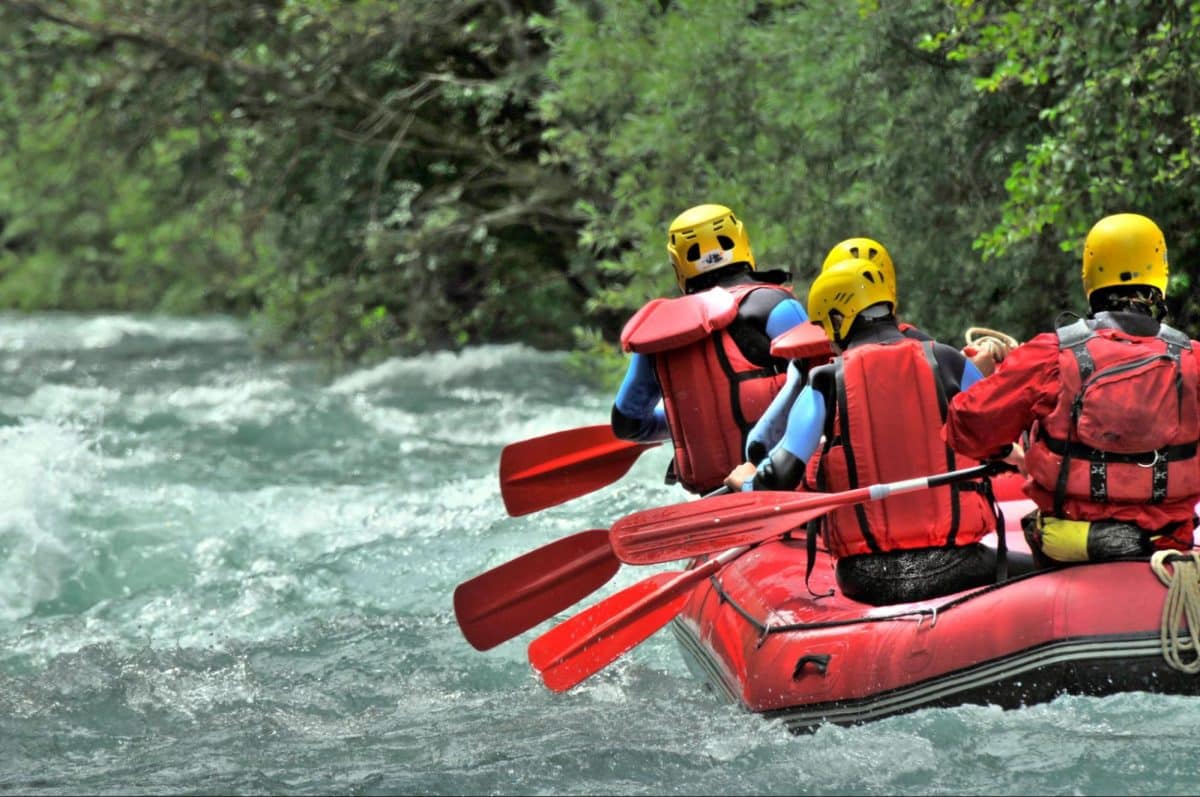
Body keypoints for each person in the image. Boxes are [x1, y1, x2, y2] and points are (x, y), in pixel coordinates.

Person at [726, 258, 1002, 605]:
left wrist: (746, 482)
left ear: (838, 320)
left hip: (868, 576)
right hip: (959, 563)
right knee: (1037, 566)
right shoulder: (948, 361)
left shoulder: (825, 381)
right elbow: (1002, 435)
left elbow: (779, 477)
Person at [944, 212, 1200, 567]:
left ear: (1090, 277)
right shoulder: (1194, 361)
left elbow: (966, 428)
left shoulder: (1051, 354)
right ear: (1161, 275)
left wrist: (976, 373)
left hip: (1072, 543)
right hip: (1167, 543)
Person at [743, 236, 1013, 465]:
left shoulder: (814, 371)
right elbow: (996, 428)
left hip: (855, 513)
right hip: (944, 512)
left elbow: (759, 446)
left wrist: (749, 480)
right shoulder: (939, 356)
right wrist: (980, 373)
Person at [611, 203, 809, 495]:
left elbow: (627, 424)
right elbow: (824, 385)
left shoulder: (658, 335)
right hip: (786, 484)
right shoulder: (774, 305)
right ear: (741, 242)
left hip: (715, 497)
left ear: (679, 264)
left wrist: (690, 420)